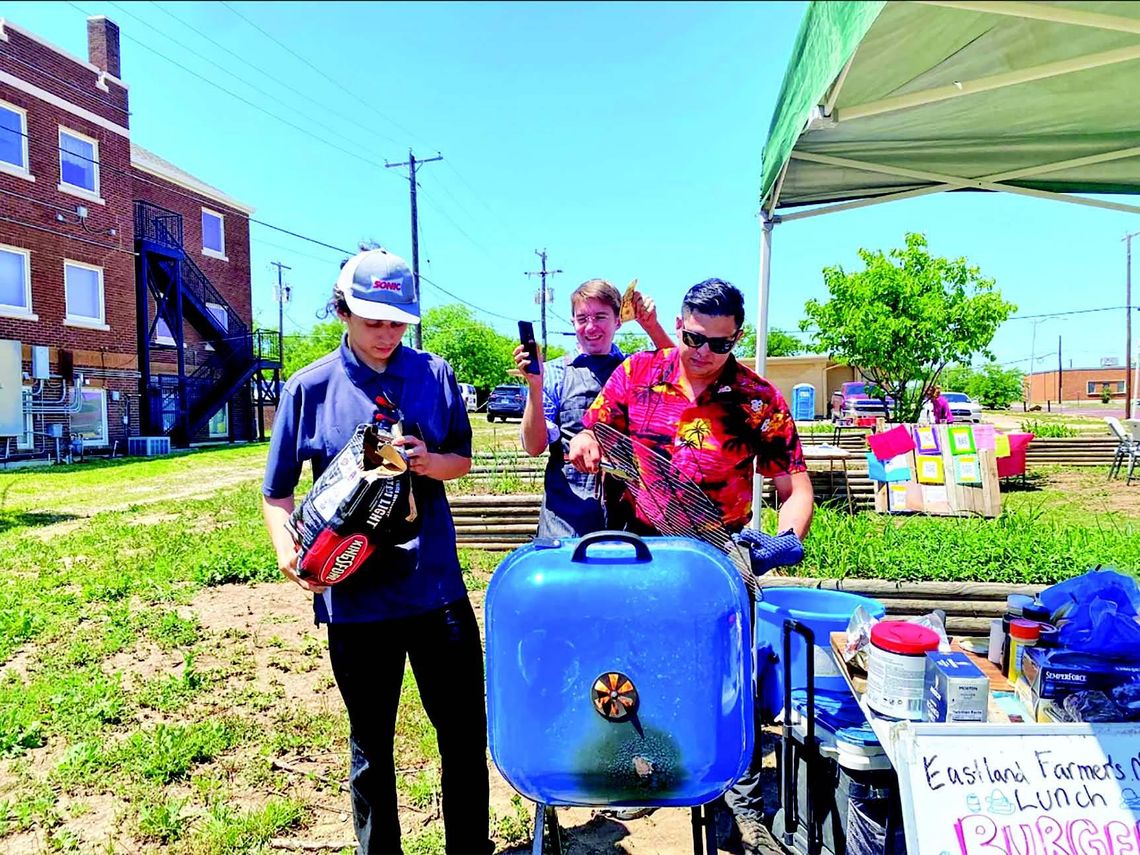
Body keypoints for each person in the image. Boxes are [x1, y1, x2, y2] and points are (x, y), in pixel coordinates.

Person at [568, 277, 814, 852]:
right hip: (640, 547)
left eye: (720, 344)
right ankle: (645, 767)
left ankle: (743, 809)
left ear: (737, 339)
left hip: (717, 553)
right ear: (679, 324)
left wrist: (784, 539)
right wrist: (589, 445)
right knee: (634, 667)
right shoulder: (637, 374)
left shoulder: (757, 400)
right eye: (694, 337)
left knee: (730, 682)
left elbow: (794, 486)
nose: (704, 353)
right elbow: (597, 431)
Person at [261, 248, 493, 855]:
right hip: (356, 600)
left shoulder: (434, 375)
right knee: (371, 748)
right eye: (373, 321)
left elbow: (461, 461)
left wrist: (427, 461)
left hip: (437, 590)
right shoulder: (308, 388)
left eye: (397, 322)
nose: (387, 335)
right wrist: (288, 549)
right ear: (343, 312)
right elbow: (277, 493)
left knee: (464, 740)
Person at [513, 278, 673, 538]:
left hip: (629, 509)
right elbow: (533, 447)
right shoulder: (554, 373)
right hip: (566, 513)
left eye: (600, 317)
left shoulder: (635, 369)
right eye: (581, 318)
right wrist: (534, 384)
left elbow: (680, 373)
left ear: (618, 321)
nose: (590, 327)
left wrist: (651, 326)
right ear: (572, 322)